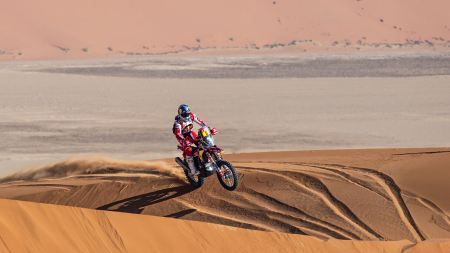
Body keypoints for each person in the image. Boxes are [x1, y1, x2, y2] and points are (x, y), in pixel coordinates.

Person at [172, 104, 217, 175]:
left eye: (187, 113)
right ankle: (193, 170)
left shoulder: (192, 116)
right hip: (182, 137)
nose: (186, 116)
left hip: (190, 133)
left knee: (202, 142)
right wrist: (184, 139)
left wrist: (209, 128)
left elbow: (201, 122)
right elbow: (178, 133)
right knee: (188, 150)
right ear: (180, 114)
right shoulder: (178, 122)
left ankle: (204, 160)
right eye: (184, 114)